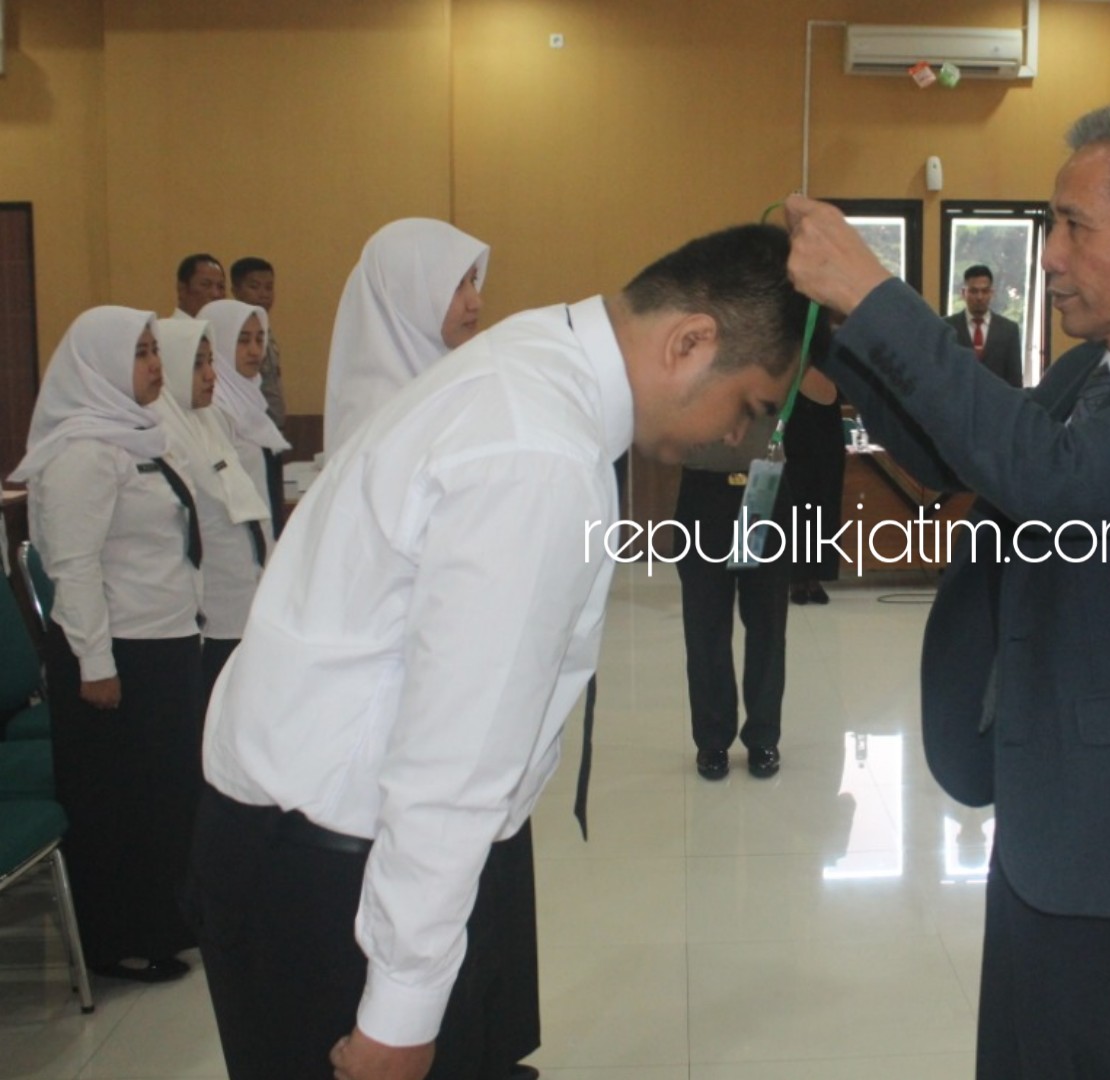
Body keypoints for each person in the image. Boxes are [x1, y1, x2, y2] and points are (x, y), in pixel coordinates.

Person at [186, 223, 808, 1080]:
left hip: (327, 838)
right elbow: (452, 757)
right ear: (690, 342)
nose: (739, 437)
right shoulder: (536, 452)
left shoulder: (533, 357)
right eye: (748, 406)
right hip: (335, 867)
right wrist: (397, 1016)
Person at [785, 102, 1110, 1079]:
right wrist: (842, 331)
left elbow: (1048, 474)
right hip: (1055, 808)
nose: (1050, 256)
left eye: (1073, 227)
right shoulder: (1090, 369)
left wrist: (879, 292)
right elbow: (956, 455)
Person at [8, 307, 204, 983]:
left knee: (166, 795)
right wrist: (96, 664)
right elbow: (73, 568)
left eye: (154, 350)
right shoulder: (81, 453)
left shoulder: (139, 436)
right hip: (115, 655)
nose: (154, 364)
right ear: (99, 366)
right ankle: (118, 940)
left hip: (163, 639)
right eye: (140, 353)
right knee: (120, 805)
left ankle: (164, 921)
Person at [679, 367, 835, 781]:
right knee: (706, 623)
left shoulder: (777, 337)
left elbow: (826, 393)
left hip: (762, 489)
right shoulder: (691, 338)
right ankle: (712, 741)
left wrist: (788, 356)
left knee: (766, 621)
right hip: (705, 490)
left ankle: (764, 736)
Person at [151, 319, 274, 703]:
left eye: (211, 362)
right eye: (197, 364)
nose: (210, 375)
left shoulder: (208, 419)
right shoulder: (163, 434)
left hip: (244, 597)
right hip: (212, 611)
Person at [323, 218, 489, 454]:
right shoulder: (377, 415)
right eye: (456, 285)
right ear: (406, 298)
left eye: (473, 280)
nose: (475, 302)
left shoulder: (443, 379)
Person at [200, 298, 291, 534]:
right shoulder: (213, 409)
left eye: (260, 339)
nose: (254, 350)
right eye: (243, 340)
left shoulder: (251, 401)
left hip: (262, 537)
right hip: (236, 542)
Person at [784, 366, 845, 605]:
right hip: (791, 421)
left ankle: (815, 576)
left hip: (825, 424)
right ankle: (796, 577)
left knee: (825, 499)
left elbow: (831, 390)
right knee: (796, 501)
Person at [944, 264, 1024, 388]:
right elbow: (942, 372)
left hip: (996, 398)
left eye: (985, 291)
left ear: (991, 293)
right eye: (974, 291)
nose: (979, 297)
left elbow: (1015, 380)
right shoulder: (948, 327)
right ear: (964, 293)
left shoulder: (1009, 330)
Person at [232, 257, 287, 429]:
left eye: (269, 287)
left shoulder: (267, 332)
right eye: (254, 287)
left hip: (273, 426)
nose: (263, 294)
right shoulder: (231, 335)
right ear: (235, 291)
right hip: (250, 427)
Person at [174, 253, 227, 319]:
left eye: (221, 286)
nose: (216, 294)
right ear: (182, 289)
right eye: (206, 285)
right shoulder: (167, 326)